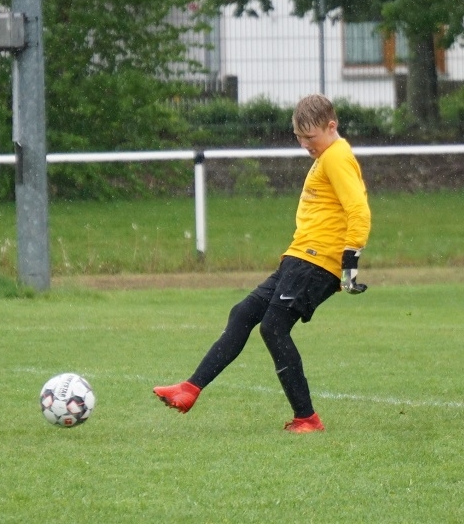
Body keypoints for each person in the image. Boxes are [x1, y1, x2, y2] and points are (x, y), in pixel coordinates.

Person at [153, 93, 371, 433]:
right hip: (299, 257)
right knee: (243, 313)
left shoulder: (337, 157)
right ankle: (190, 388)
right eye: (298, 137)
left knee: (273, 327)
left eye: (310, 137)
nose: (304, 144)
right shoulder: (326, 155)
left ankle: (307, 418)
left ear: (332, 126)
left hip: (317, 261)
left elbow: (359, 210)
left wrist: (350, 263)